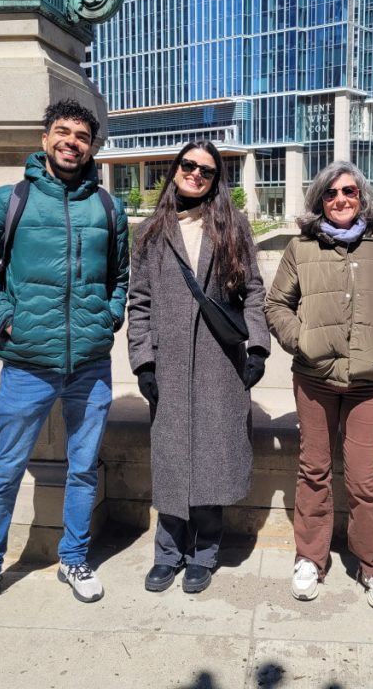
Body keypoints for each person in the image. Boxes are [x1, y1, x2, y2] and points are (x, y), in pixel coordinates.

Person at [0, 99, 129, 624]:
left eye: (81, 135)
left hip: (91, 365)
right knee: (6, 471)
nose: (70, 141)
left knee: (82, 470)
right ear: (45, 138)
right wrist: (9, 321)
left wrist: (109, 317)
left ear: (92, 146)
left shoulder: (108, 206)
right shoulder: (11, 200)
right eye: (62, 131)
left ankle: (73, 560)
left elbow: (120, 276)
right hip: (27, 364)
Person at [264, 161, 373, 611]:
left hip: (369, 382)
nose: (340, 200)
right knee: (313, 469)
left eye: (349, 191)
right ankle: (310, 557)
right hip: (314, 379)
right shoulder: (302, 247)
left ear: (362, 196)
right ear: (319, 200)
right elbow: (277, 304)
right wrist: (303, 341)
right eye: (330, 194)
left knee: (363, 476)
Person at [127, 141, 271, 595]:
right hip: (168, 363)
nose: (195, 174)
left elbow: (253, 290)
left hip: (218, 361)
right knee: (171, 461)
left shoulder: (233, 225)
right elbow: (140, 303)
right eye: (188, 165)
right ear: (174, 170)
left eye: (206, 170)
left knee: (213, 460)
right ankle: (167, 553)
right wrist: (143, 361)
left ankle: (204, 553)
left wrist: (258, 350)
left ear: (215, 179)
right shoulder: (151, 231)